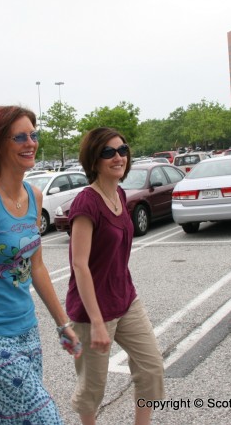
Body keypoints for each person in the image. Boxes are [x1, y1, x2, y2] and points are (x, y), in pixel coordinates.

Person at [0, 105, 81, 424]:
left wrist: (62, 323)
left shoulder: (34, 196)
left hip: (27, 331)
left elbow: (35, 267)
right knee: (46, 419)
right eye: (20, 137)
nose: (31, 142)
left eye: (33, 135)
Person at [66, 127, 165, 425]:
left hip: (125, 299)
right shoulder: (86, 203)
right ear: (94, 161)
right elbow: (79, 265)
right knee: (92, 388)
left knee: (151, 369)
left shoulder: (120, 194)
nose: (118, 157)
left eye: (122, 150)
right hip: (92, 311)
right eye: (108, 152)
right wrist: (96, 323)